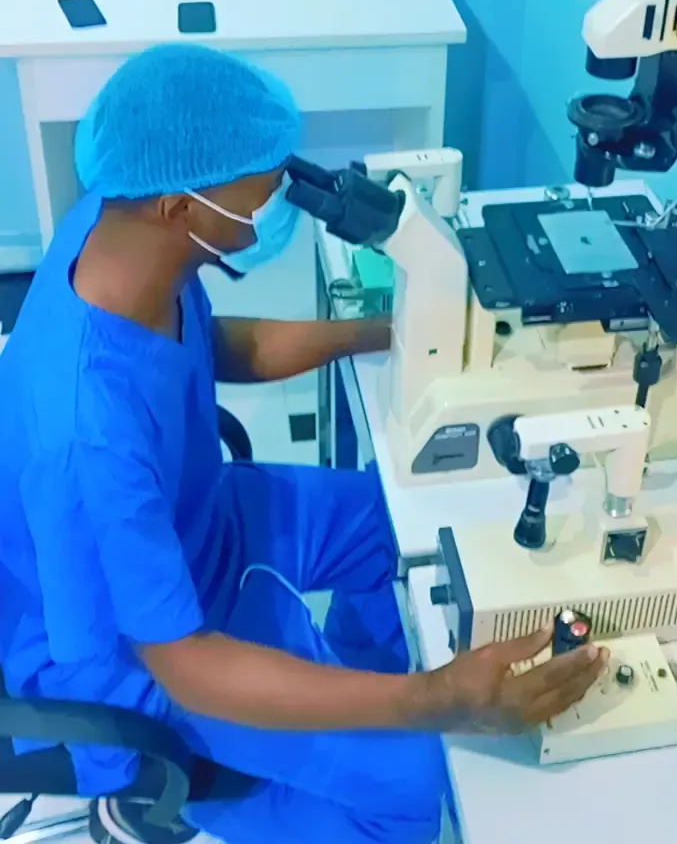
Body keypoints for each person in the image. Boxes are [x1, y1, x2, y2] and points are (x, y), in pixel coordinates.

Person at [0, 44, 606, 844]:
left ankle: (360, 683)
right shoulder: (88, 437)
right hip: (140, 662)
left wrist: (394, 330)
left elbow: (221, 346)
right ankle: (195, 796)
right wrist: (433, 700)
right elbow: (185, 662)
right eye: (255, 196)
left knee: (402, 524)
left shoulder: (117, 220)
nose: (272, 206)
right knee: (432, 785)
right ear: (180, 209)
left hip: (202, 522)